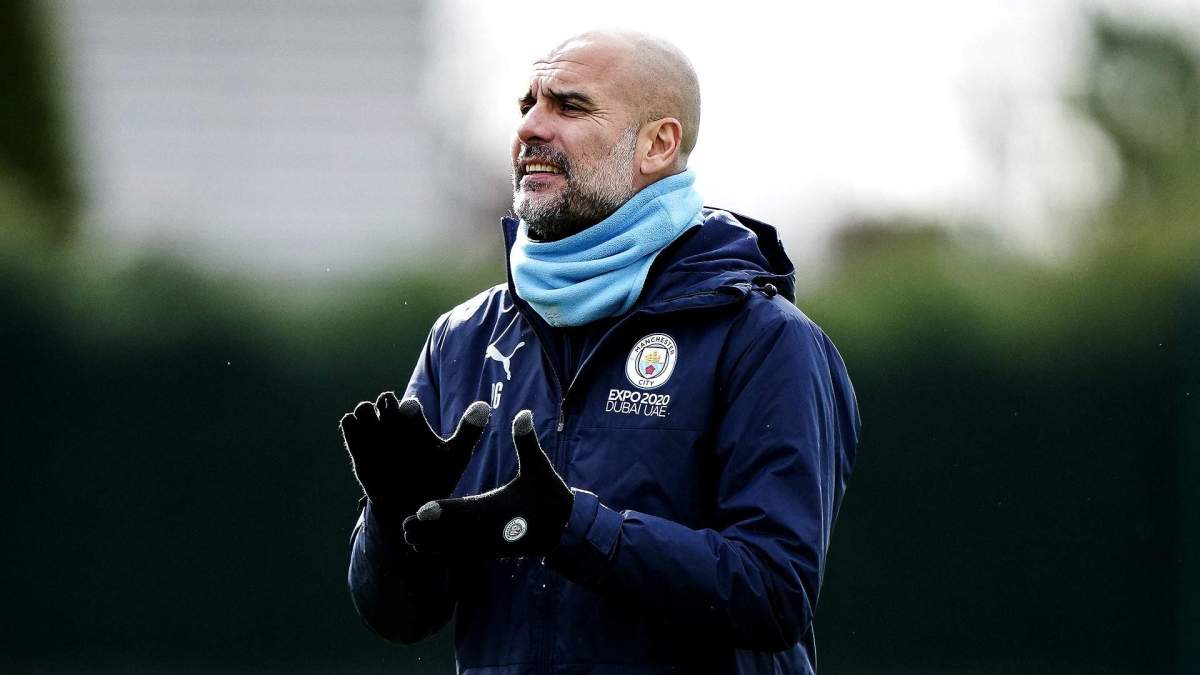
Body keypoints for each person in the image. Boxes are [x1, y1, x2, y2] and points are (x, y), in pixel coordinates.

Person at [340, 29, 860, 675]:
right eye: (527, 104)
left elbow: (774, 591)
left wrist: (573, 527)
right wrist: (393, 524)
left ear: (658, 144)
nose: (531, 126)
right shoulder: (464, 338)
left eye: (569, 106)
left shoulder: (765, 339)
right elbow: (401, 617)